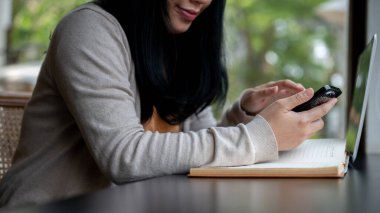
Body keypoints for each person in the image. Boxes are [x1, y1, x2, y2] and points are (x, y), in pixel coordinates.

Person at [0, 0, 337, 208]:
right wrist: (260, 137)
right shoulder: (88, 29)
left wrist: (245, 115)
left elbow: (196, 150)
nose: (202, 0)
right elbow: (124, 157)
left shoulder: (175, 46)